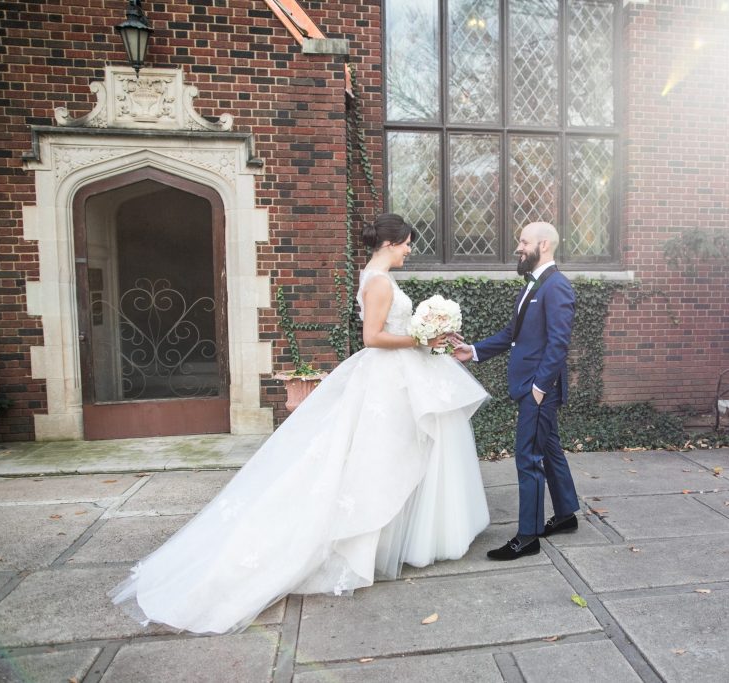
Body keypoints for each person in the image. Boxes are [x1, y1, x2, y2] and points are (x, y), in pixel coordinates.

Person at [111, 213, 490, 634]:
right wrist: (421, 339)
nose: (409, 250)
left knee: (384, 458)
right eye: (406, 244)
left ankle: (389, 535)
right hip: (386, 377)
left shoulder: (374, 276)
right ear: (391, 242)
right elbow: (372, 337)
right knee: (380, 458)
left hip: (391, 377)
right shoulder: (380, 281)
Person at [453, 222, 580, 560]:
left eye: (523, 242)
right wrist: (474, 350)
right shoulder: (533, 284)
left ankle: (527, 536)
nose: (519, 248)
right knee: (549, 449)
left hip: (537, 388)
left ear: (544, 245)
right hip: (533, 386)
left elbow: (558, 344)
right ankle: (566, 513)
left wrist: (539, 388)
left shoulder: (557, 287)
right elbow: (514, 333)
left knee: (528, 458)